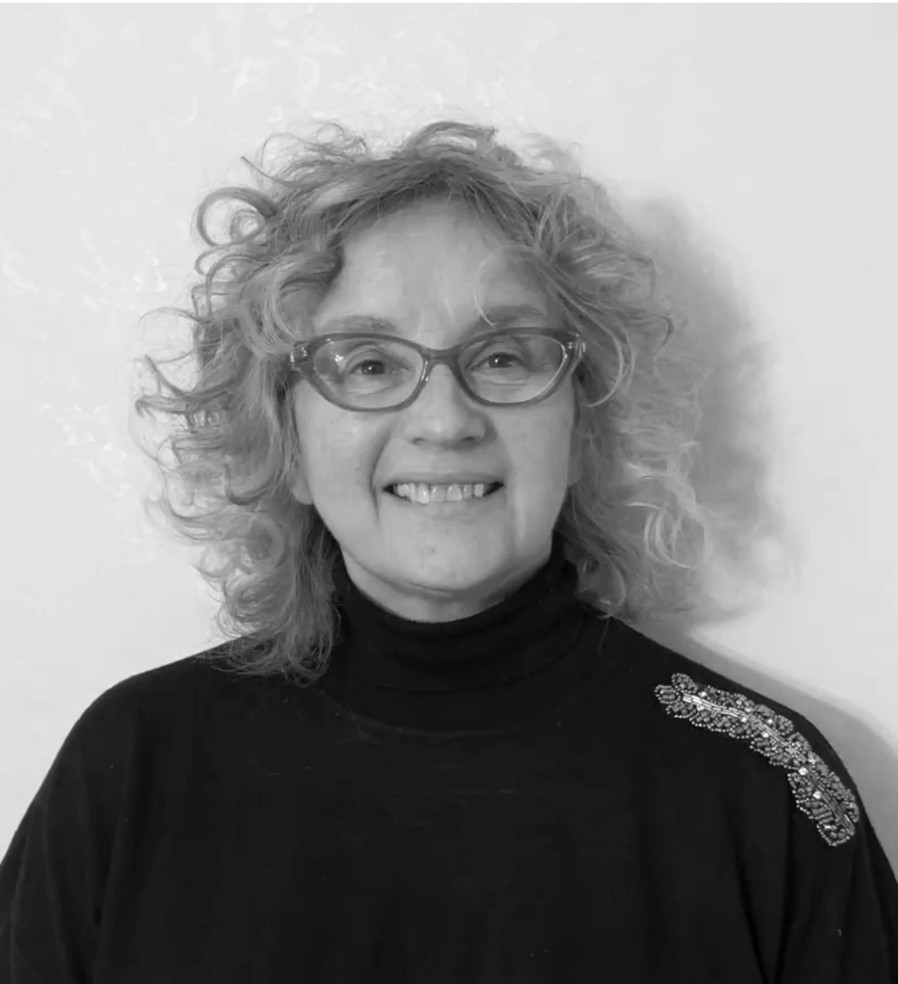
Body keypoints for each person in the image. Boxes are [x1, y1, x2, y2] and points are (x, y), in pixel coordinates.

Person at [1, 119, 896, 983]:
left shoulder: (761, 789)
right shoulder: (134, 763)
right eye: (368, 364)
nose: (444, 419)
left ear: (584, 426)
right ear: (285, 443)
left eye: (503, 357)